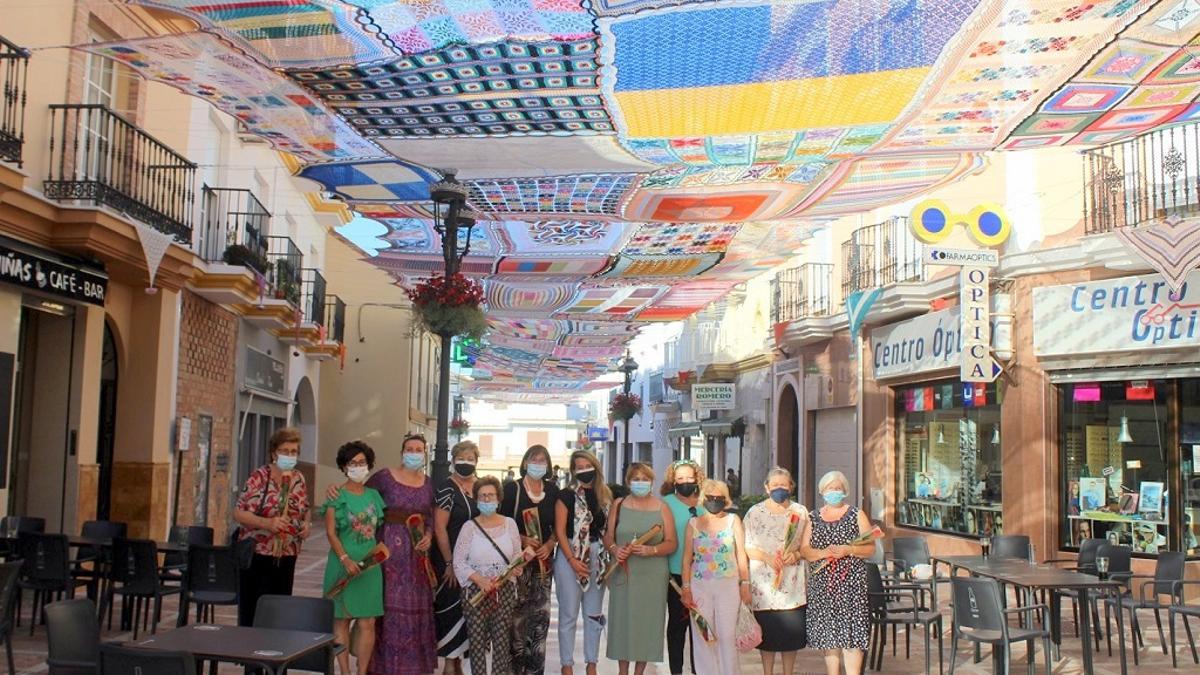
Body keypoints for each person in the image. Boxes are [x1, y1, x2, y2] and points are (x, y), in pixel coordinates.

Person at [366, 433, 437, 675]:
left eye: (419, 449)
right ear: (402, 451)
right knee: (388, 607)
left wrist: (429, 535)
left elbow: (431, 517)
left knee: (416, 607)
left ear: (424, 454)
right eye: (410, 448)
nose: (414, 453)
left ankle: (414, 667)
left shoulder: (429, 483)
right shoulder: (384, 477)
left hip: (417, 558)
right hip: (389, 554)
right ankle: (384, 666)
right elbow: (362, 499)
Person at [453, 476, 534, 675]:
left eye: (491, 495)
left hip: (503, 590)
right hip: (475, 591)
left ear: (499, 498)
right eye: (482, 496)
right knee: (477, 643)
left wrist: (519, 565)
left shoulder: (510, 524)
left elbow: (516, 555)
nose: (487, 500)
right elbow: (459, 562)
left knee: (501, 642)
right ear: (476, 499)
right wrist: (480, 580)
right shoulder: (469, 528)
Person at [603, 463, 677, 675]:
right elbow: (608, 536)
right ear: (628, 482)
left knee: (647, 623)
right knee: (622, 621)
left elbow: (672, 542)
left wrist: (652, 549)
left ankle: (639, 672)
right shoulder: (619, 504)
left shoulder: (662, 507)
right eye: (636, 479)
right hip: (624, 573)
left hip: (652, 575)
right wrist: (615, 549)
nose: (640, 483)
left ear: (652, 482)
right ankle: (622, 671)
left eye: (645, 479)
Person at [321, 441, 387, 675]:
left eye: (362, 463)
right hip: (341, 565)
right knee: (341, 620)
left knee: (367, 622)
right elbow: (330, 532)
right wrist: (345, 558)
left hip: (369, 567)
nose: (358, 467)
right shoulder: (335, 495)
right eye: (352, 463)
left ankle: (362, 672)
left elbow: (377, 527)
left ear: (368, 464)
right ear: (344, 466)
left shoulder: (374, 496)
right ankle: (345, 672)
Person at [234, 427, 311, 627]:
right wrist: (267, 523)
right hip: (259, 553)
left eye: (294, 452)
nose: (290, 455)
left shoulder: (299, 478)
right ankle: (249, 654)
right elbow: (239, 512)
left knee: (280, 610)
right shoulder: (259, 477)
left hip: (287, 553)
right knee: (255, 609)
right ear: (274, 452)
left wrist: (306, 525)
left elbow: (305, 508)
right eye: (285, 451)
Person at [802, 471, 873, 675]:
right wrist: (823, 553)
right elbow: (805, 550)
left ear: (845, 490)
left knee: (852, 635)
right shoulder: (812, 517)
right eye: (830, 488)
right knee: (828, 634)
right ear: (822, 491)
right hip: (823, 585)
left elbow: (870, 548)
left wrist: (848, 550)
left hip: (851, 584)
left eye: (838, 488)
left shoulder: (856, 514)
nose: (834, 491)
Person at [680, 480, 750, 675]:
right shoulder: (693, 523)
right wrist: (686, 588)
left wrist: (745, 583)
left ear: (726, 499)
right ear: (703, 499)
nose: (714, 501)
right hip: (699, 586)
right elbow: (686, 559)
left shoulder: (733, 520)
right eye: (710, 497)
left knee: (727, 636)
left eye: (719, 497)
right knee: (703, 635)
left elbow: (741, 555)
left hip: (728, 586)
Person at [500, 445, 559, 675]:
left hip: (542, 566)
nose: (538, 463)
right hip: (518, 565)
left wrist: (550, 544)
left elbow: (559, 527)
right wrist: (521, 538)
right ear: (525, 462)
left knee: (539, 620)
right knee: (516, 620)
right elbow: (500, 523)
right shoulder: (512, 489)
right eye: (534, 459)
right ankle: (514, 670)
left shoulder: (553, 491)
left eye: (542, 459)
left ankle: (535, 670)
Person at [744, 467, 809, 675]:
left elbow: (807, 545)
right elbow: (746, 546)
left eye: (784, 485)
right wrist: (767, 558)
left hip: (793, 584)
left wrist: (796, 555)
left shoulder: (800, 512)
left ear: (791, 486)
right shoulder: (755, 512)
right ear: (766, 488)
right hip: (764, 585)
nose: (779, 489)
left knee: (790, 636)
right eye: (775, 486)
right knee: (769, 636)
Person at [553, 450, 611, 675]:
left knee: (593, 614)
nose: (584, 470)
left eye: (588, 465)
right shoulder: (566, 495)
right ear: (573, 470)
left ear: (595, 467)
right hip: (570, 554)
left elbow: (607, 530)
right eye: (579, 466)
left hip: (598, 556)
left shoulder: (606, 495)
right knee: (569, 613)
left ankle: (592, 663)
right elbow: (559, 530)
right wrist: (572, 560)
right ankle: (566, 664)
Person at [433, 441, 481, 675]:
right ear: (453, 460)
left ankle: (460, 662)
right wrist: (450, 562)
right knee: (451, 611)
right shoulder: (447, 488)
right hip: (450, 562)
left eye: (471, 458)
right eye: (461, 458)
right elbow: (440, 528)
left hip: (476, 564)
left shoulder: (481, 487)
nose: (466, 462)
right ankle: (451, 665)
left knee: (470, 614)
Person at [660, 459, 704, 675]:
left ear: (697, 478)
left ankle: (700, 669)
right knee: (678, 626)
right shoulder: (665, 503)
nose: (685, 482)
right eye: (680, 478)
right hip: (675, 575)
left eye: (689, 478)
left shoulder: (706, 503)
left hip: (705, 574)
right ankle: (676, 670)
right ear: (673, 481)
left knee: (702, 627)